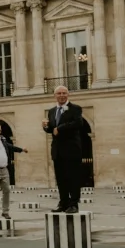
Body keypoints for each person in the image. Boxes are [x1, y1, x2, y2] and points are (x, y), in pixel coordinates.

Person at [42, 85, 83, 213]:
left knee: (73, 178)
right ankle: (63, 203)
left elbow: (78, 123)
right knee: (60, 179)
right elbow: (52, 130)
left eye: (64, 93)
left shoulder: (75, 108)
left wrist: (60, 128)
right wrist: (46, 127)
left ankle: (74, 204)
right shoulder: (52, 111)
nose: (62, 95)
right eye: (59, 93)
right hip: (57, 151)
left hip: (72, 149)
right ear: (55, 95)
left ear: (68, 94)